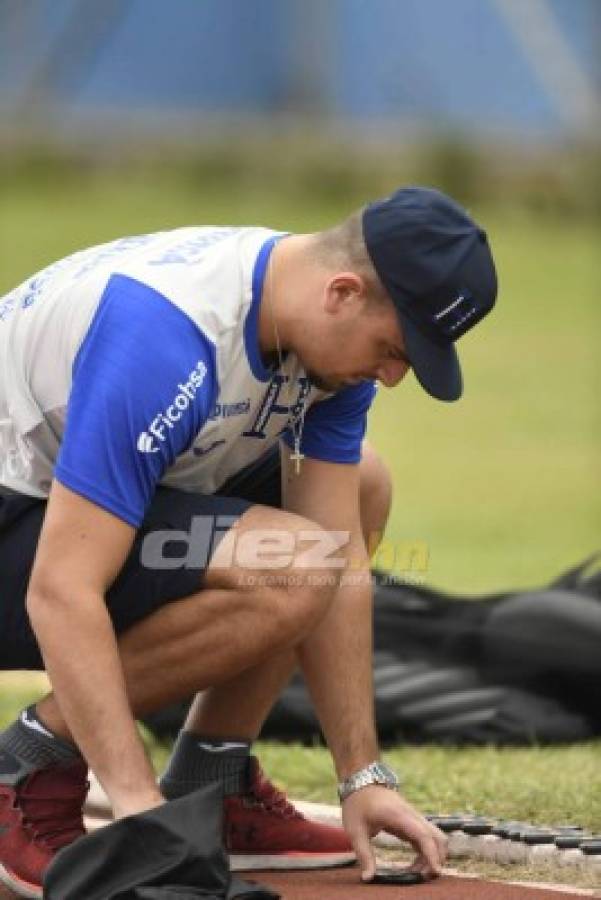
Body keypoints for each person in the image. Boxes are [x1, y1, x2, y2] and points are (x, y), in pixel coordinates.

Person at [0, 186, 497, 897]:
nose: (393, 375)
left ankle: (213, 772)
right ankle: (28, 764)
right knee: (288, 568)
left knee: (358, 488)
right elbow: (61, 589)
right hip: (19, 525)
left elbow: (341, 555)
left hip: (44, 513)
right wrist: (143, 822)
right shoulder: (166, 336)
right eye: (394, 349)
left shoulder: (309, 322)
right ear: (343, 292)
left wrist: (362, 776)